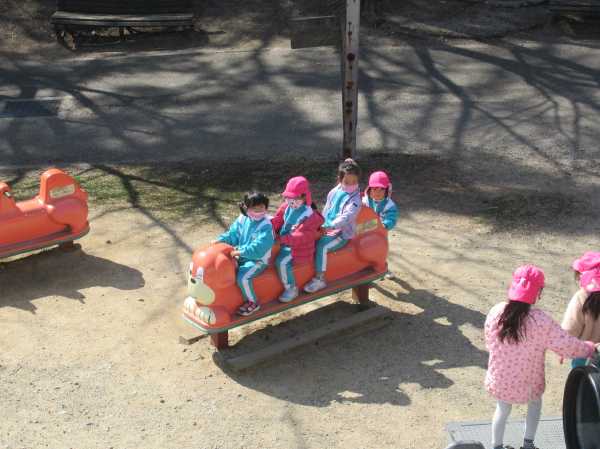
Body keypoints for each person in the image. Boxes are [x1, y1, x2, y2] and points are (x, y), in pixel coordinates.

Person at [485, 265, 598, 449]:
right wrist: (588, 348)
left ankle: (496, 445)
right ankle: (528, 443)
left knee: (502, 409)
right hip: (529, 381)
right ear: (538, 292)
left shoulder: (496, 312)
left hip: (501, 378)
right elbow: (566, 344)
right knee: (535, 404)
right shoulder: (540, 320)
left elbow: (489, 339)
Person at [304, 159, 362, 293]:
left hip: (341, 233)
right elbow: (328, 208)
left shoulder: (355, 200)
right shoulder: (335, 191)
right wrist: (320, 222)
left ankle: (320, 278)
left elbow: (346, 217)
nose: (351, 185)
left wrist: (330, 226)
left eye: (354, 182)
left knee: (322, 246)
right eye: (347, 182)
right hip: (326, 226)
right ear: (340, 180)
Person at [216, 192, 274, 316]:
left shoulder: (266, 226)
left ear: (266, 207)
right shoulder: (243, 219)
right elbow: (233, 234)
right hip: (240, 256)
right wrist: (220, 240)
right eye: (254, 208)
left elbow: (259, 247)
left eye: (261, 207)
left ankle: (253, 302)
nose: (258, 211)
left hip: (258, 260)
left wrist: (241, 251)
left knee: (242, 277)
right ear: (246, 208)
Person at [271, 176, 324, 302]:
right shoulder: (286, 207)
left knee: (281, 262)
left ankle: (291, 288)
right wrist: (270, 229)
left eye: (295, 198)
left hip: (299, 248)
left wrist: (283, 239)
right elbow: (277, 220)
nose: (291, 201)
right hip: (284, 241)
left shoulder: (309, 215)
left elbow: (302, 236)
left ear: (305, 197)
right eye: (288, 198)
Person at [562, 259, 600, 368]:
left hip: (583, 354)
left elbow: (570, 328)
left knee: (580, 378)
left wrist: (564, 348)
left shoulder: (581, 297)